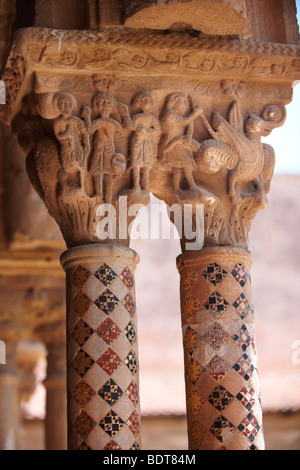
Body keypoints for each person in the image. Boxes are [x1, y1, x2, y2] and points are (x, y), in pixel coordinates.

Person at [129, 91, 159, 192]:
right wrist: (137, 129)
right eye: (145, 101)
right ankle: (136, 185)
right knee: (136, 163)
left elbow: (156, 130)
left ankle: (145, 186)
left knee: (146, 164)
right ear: (140, 103)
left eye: (150, 101)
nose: (148, 103)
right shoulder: (137, 117)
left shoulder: (151, 118)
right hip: (137, 141)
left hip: (147, 143)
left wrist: (146, 131)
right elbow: (131, 127)